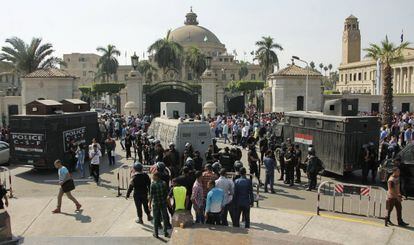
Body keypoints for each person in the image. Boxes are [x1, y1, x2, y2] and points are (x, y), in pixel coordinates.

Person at [149, 172, 170, 238]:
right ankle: (165, 232)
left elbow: (151, 195)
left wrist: (149, 204)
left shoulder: (153, 185)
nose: (152, 177)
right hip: (163, 203)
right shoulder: (164, 183)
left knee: (156, 218)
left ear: (157, 176)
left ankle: (156, 233)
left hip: (156, 204)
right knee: (164, 218)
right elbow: (166, 194)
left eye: (153, 176)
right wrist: (168, 203)